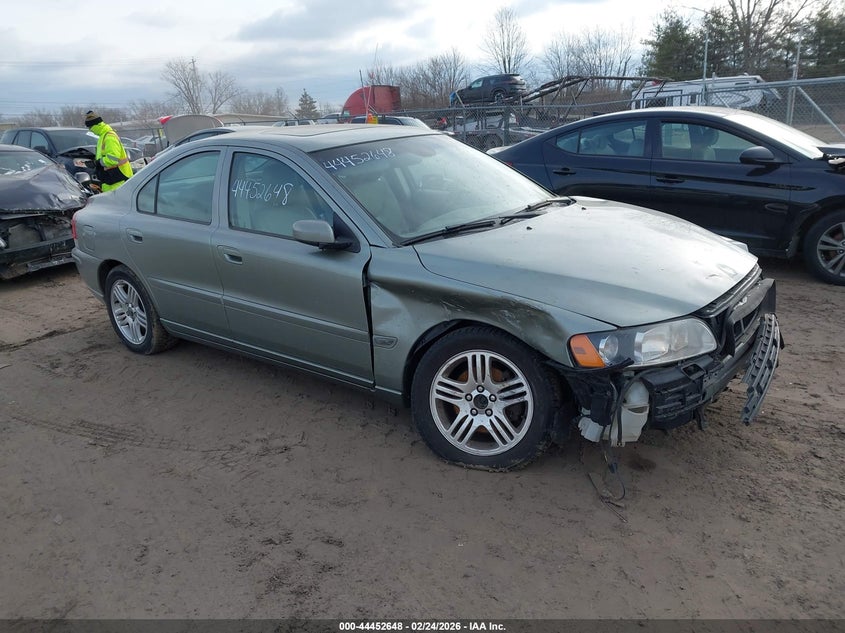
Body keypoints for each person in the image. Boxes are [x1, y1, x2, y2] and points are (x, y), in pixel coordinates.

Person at [84, 110, 133, 191]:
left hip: (118, 179)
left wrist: (97, 163)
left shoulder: (109, 137)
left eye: (90, 127)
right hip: (111, 178)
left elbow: (113, 159)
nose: (90, 130)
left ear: (97, 125)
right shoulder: (103, 136)